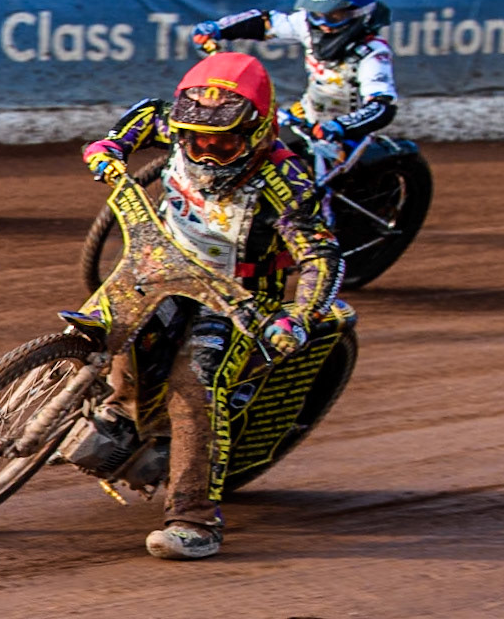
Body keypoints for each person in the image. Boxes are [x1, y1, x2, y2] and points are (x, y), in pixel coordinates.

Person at [81, 53, 343, 561]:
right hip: (160, 262)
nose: (206, 152)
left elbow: (320, 256)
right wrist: (112, 145)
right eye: (193, 139)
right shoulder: (176, 122)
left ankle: (194, 519)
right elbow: (144, 116)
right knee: (103, 329)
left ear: (260, 131)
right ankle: (110, 411)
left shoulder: (287, 184)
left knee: (192, 389)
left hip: (237, 297)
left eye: (224, 143)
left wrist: (299, 315)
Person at [191, 0, 396, 146]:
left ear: (358, 13)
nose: (323, 23)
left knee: (312, 178)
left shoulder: (372, 53)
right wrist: (218, 29)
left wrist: (340, 126)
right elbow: (266, 23)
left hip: (345, 132)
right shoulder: (306, 24)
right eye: (317, 13)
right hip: (306, 115)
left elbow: (382, 105)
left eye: (334, 16)